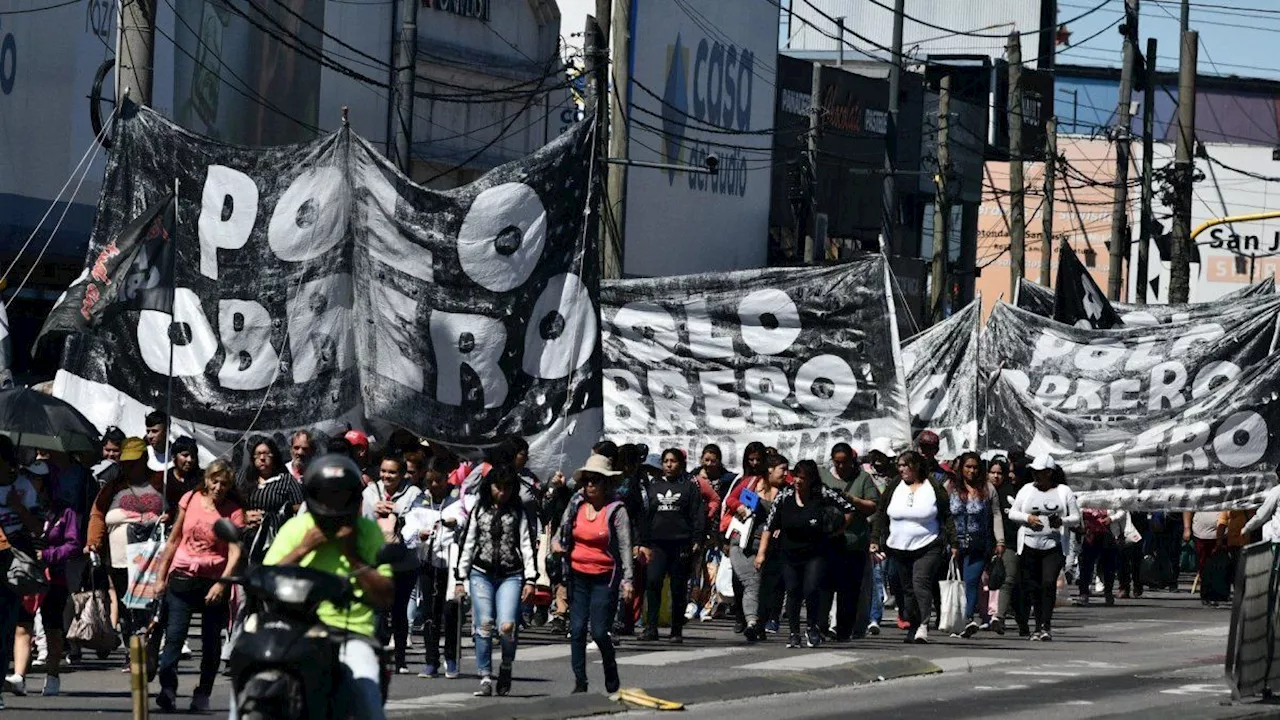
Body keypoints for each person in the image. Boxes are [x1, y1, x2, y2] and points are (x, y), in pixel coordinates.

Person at [251, 454, 394, 720]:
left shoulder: (368, 532)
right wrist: (305, 547)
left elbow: (385, 595)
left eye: (341, 496)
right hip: (295, 629)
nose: (334, 504)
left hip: (349, 632)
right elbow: (265, 579)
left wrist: (351, 554)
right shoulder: (297, 528)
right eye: (328, 496)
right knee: (252, 683)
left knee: (367, 699)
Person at [151, 460, 244, 712]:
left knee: (211, 643)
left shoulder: (233, 512)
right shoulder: (190, 498)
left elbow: (235, 553)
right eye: (214, 481)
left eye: (224, 484)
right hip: (182, 576)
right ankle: (168, 688)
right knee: (174, 638)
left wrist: (222, 585)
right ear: (207, 479)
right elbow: (173, 539)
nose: (218, 487)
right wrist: (160, 577)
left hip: (213, 581)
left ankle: (203, 692)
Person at [455, 465, 537, 697]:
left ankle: (506, 665)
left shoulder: (518, 511)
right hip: (481, 573)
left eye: (507, 488)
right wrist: (460, 577)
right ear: (489, 487)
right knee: (485, 625)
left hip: (511, 574)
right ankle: (485, 676)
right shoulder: (479, 509)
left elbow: (526, 545)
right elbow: (468, 544)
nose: (502, 492)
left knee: (507, 625)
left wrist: (531, 579)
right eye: (497, 487)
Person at [555, 455, 632, 694]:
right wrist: (557, 543)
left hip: (604, 577)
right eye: (587, 480)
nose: (590, 485)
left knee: (599, 631)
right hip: (577, 575)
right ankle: (580, 681)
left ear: (606, 483)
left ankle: (609, 663)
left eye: (596, 480)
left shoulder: (616, 510)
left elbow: (625, 546)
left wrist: (628, 580)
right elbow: (561, 530)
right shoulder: (576, 503)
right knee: (576, 629)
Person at [85, 437, 167, 662]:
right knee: (124, 605)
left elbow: (181, 506)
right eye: (126, 462)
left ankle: (148, 649)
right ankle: (133, 651)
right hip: (119, 560)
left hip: (151, 560)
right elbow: (97, 514)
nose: (128, 466)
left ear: (144, 459)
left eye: (134, 461)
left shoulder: (162, 482)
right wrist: (93, 542)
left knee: (149, 606)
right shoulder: (112, 487)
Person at [756, 459, 854, 649]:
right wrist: (761, 553)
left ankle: (812, 627)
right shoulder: (784, 496)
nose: (798, 481)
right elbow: (769, 525)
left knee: (811, 589)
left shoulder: (822, 493)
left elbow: (849, 509)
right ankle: (794, 633)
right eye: (796, 477)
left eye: (803, 478)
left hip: (815, 553)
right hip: (789, 553)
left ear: (811, 479)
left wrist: (838, 530)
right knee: (792, 591)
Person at [4, 456, 80, 698]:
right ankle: (19, 676)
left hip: (54, 575)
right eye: (29, 476)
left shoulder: (64, 511)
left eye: (36, 478)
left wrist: (48, 554)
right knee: (22, 624)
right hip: (26, 571)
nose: (31, 481)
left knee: (53, 628)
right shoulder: (16, 497)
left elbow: (73, 544)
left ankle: (53, 673)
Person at [870, 450, 956, 644]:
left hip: (928, 545)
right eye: (899, 466)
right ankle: (913, 622)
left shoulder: (932, 485)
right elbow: (882, 513)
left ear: (916, 466)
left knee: (920, 582)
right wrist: (875, 538)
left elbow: (946, 515)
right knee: (903, 588)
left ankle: (924, 624)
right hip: (899, 547)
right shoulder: (895, 486)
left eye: (905, 465)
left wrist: (954, 542)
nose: (901, 469)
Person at [1007, 456, 1080, 641]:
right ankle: (1037, 625)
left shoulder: (1064, 491)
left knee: (1048, 583)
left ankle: (1046, 625)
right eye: (1034, 472)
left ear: (1050, 472)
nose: (1036, 476)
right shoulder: (1027, 489)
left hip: (1053, 546)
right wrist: (1027, 519)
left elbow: (1076, 518)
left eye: (1040, 472)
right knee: (1034, 586)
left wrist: (1061, 521)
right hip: (1029, 545)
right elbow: (1013, 513)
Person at [403, 453, 463, 679]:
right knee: (429, 612)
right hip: (428, 562)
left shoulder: (457, 499)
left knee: (450, 611)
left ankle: (451, 658)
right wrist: (419, 533)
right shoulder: (420, 501)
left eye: (438, 480)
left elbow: (465, 520)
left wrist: (453, 523)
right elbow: (408, 529)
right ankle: (431, 661)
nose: (434, 485)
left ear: (447, 477)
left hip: (452, 564)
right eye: (429, 481)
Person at [362, 453, 421, 673]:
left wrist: (396, 511)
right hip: (376, 561)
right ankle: (376, 656)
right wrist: (375, 511)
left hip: (405, 561)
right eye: (384, 471)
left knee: (399, 611)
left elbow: (418, 517)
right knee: (377, 610)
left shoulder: (414, 492)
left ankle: (400, 659)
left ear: (402, 473)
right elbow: (363, 520)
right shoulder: (369, 492)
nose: (387, 476)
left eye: (392, 472)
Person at [637, 448, 705, 643]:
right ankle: (651, 628)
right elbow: (645, 516)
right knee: (653, 583)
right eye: (665, 461)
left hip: (680, 544)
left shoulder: (689, 487)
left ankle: (676, 630)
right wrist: (642, 542)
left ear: (680, 464)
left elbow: (697, 515)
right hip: (656, 544)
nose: (668, 464)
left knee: (678, 587)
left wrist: (697, 540)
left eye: (673, 461)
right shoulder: (654, 486)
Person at [945, 452, 1005, 637]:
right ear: (961, 468)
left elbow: (996, 514)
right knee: (957, 582)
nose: (971, 471)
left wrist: (1000, 540)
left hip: (979, 543)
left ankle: (968, 619)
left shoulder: (988, 489)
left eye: (975, 467)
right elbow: (942, 513)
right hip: (953, 544)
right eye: (968, 467)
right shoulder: (950, 487)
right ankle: (954, 619)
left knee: (970, 581)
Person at [727, 452, 785, 641]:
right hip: (742, 542)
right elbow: (730, 500)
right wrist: (739, 507)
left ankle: (760, 623)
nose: (786, 474)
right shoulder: (751, 483)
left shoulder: (786, 491)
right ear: (770, 470)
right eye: (782, 470)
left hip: (770, 546)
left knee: (766, 588)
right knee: (752, 582)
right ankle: (751, 622)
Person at [826, 443, 873, 641]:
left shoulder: (863, 479)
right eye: (837, 463)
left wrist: (852, 500)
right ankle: (825, 624)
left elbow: (872, 506)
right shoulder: (824, 477)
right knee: (827, 586)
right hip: (829, 542)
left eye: (845, 462)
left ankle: (846, 628)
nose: (841, 467)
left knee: (850, 589)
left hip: (854, 543)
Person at [722, 442, 766, 635]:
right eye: (751, 459)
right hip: (741, 536)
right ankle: (742, 617)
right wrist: (739, 507)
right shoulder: (746, 481)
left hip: (763, 537)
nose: (755, 463)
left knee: (761, 582)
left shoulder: (774, 481)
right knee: (740, 580)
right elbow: (729, 500)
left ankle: (757, 620)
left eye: (758, 459)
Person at [237, 437, 303, 565]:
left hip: (272, 542)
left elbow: (300, 508)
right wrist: (243, 516)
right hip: (243, 541)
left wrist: (274, 518)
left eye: (267, 454)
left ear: (274, 456)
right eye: (258, 454)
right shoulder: (241, 477)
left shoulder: (286, 480)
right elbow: (228, 503)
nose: (262, 458)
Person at [859, 440, 895, 635]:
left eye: (883, 456)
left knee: (881, 575)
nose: (879, 460)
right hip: (866, 529)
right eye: (877, 456)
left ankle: (875, 616)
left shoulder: (895, 477)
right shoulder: (863, 476)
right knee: (873, 576)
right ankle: (871, 616)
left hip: (887, 532)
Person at [987, 456, 1020, 635]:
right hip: (985, 542)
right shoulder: (984, 492)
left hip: (1009, 544)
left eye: (1000, 473)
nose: (996, 476)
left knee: (1007, 579)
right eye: (992, 472)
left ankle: (999, 617)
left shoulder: (1012, 493)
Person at [1075, 507, 1118, 606]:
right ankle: (1084, 594)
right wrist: (1078, 526)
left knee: (1108, 567)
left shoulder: (1111, 494)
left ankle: (1108, 592)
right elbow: (1075, 512)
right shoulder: (1083, 496)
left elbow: (1122, 510)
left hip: (1107, 535)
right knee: (1085, 566)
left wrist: (1111, 518)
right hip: (1088, 535)